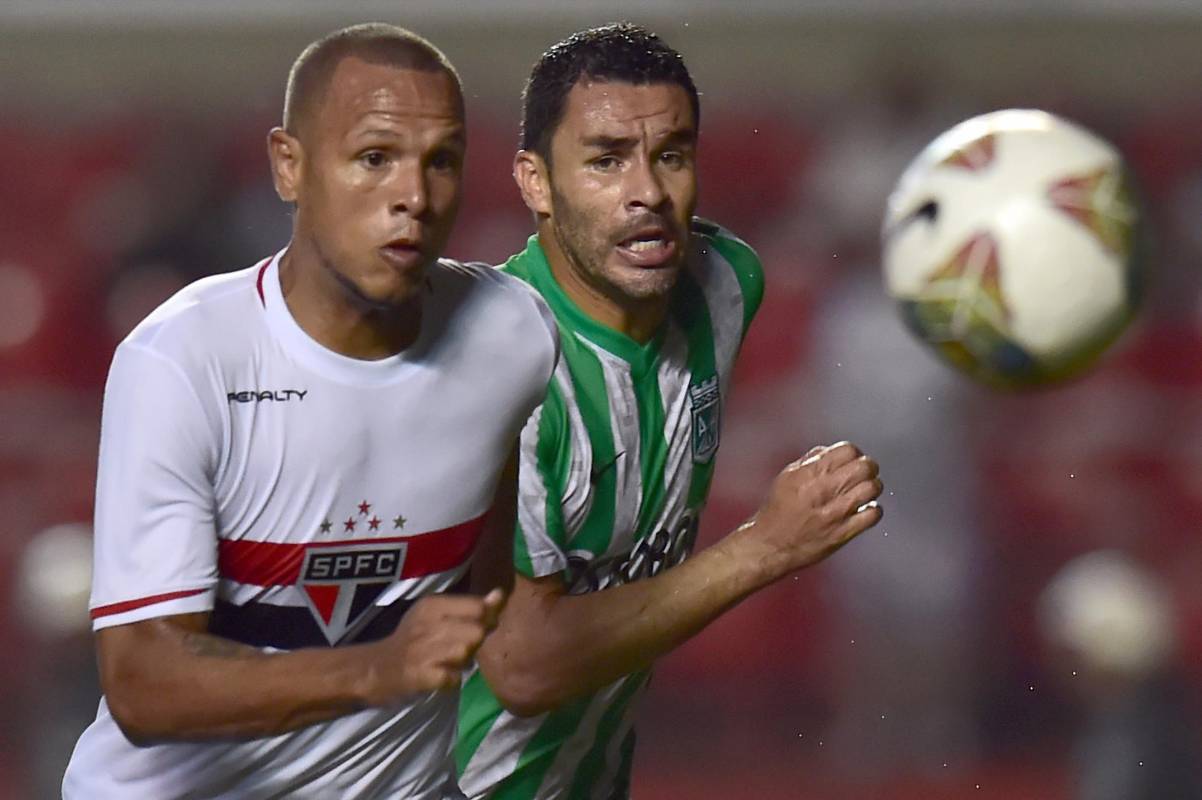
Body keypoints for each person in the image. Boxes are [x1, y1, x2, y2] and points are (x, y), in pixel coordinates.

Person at [62, 23, 558, 799]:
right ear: (289, 167)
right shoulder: (183, 360)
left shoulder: (514, 335)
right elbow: (142, 682)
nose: (414, 198)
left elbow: (477, 589)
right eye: (374, 159)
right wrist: (375, 668)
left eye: (442, 163)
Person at [455, 23, 883, 799]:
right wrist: (765, 546)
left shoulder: (724, 283)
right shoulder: (499, 373)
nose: (647, 192)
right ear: (535, 182)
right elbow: (522, 665)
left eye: (672, 155)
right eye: (606, 160)